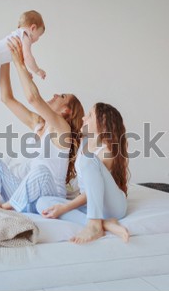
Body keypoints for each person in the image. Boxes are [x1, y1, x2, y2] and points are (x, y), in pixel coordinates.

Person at [0, 38, 84, 213]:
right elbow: (6, 98)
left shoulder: (63, 130)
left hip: (50, 193)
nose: (55, 94)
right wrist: (5, 58)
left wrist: (19, 63)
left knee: (40, 171)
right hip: (29, 192)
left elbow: (33, 98)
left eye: (62, 96)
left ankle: (5, 207)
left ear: (66, 112)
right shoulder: (39, 124)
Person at [36, 102, 130, 244]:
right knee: (43, 204)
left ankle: (94, 226)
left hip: (112, 206)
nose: (84, 118)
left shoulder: (107, 152)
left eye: (90, 115)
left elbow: (92, 191)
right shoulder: (84, 142)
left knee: (88, 158)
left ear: (102, 122)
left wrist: (66, 206)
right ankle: (104, 223)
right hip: (91, 206)